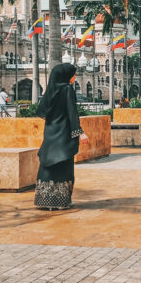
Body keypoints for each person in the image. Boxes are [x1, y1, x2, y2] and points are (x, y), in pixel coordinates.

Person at [34, 64, 88, 210]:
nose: (74, 77)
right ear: (66, 76)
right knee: (63, 164)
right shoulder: (67, 89)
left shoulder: (51, 89)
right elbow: (72, 112)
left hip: (51, 132)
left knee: (48, 164)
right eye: (73, 74)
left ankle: (45, 201)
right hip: (64, 133)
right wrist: (79, 132)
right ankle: (61, 201)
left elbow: (42, 111)